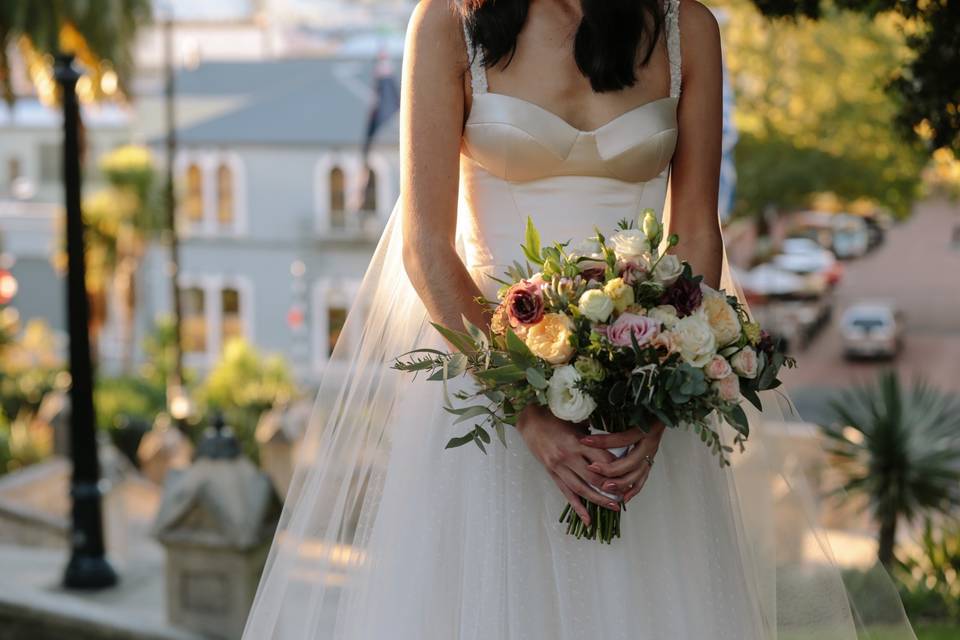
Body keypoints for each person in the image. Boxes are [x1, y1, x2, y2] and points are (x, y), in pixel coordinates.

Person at [243, 2, 917, 638]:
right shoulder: (450, 22)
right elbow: (425, 243)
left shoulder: (687, 29)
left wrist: (658, 401)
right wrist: (526, 412)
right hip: (490, 404)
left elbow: (697, 238)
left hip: (638, 411)